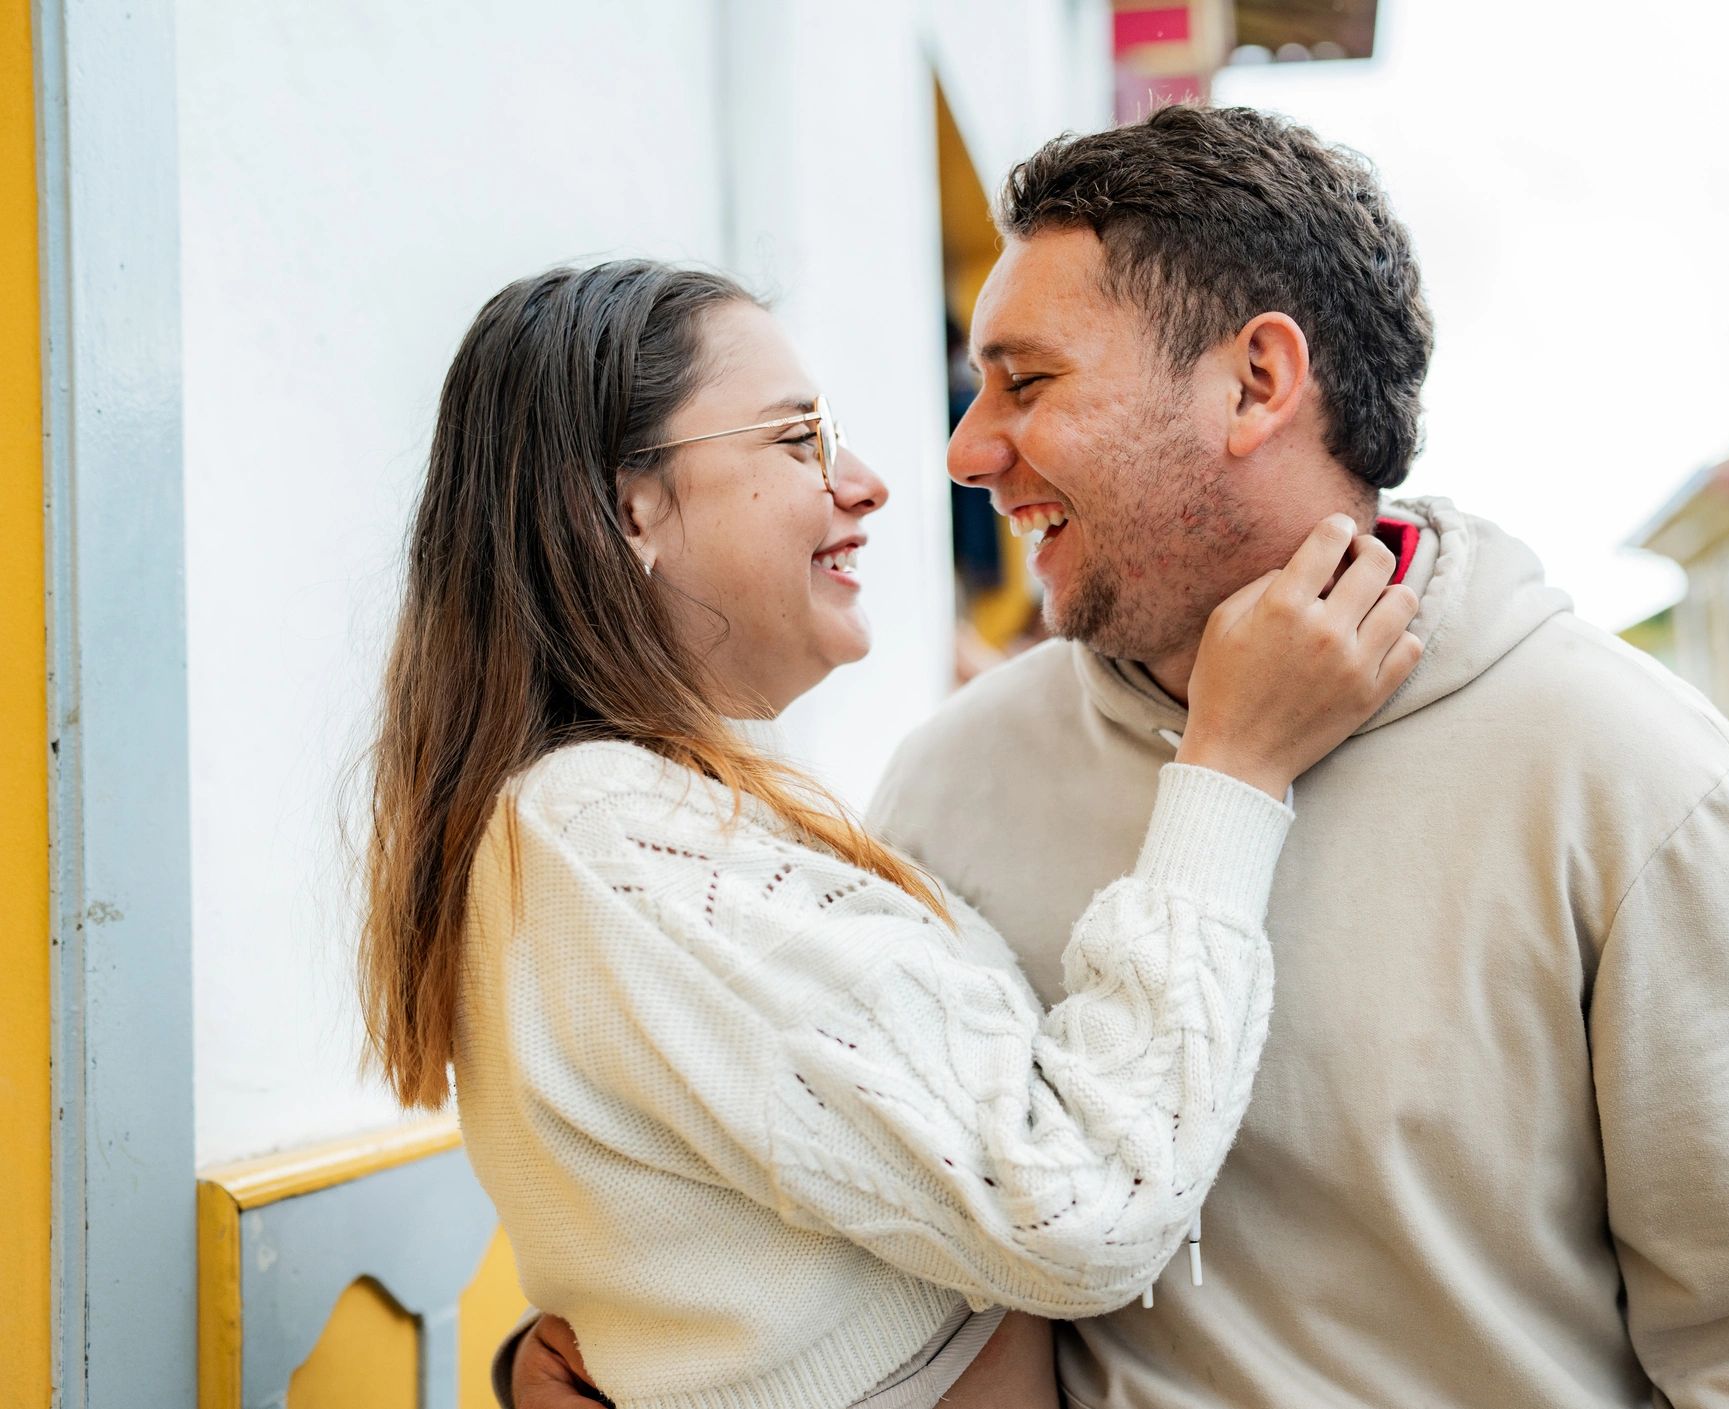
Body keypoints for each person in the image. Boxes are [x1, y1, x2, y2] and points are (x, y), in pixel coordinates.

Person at [512, 106, 1729, 1408]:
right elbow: (862, 1220)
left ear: (1256, 381)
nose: (962, 449)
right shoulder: (950, 776)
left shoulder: (1640, 782)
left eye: (1025, 381)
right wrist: (605, 1365)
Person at [357, 260, 1423, 1409]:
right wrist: (1232, 766)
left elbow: (727, 1213)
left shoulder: (646, 813)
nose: (863, 483)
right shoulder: (601, 831)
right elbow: (1076, 1206)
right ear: (632, 507)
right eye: (797, 438)